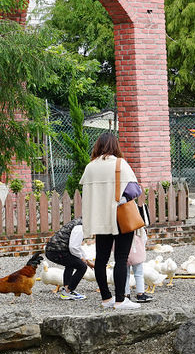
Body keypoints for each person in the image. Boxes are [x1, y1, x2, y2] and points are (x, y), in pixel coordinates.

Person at [79, 132, 141, 310]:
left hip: (99, 219)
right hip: (120, 218)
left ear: (97, 145)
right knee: (121, 258)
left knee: (101, 259)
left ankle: (106, 298)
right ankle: (121, 300)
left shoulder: (90, 167)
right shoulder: (120, 164)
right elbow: (134, 190)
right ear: (115, 145)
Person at [44, 217, 92, 300]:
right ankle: (68, 291)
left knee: (71, 263)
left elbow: (76, 246)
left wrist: (87, 260)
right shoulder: (80, 227)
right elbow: (73, 247)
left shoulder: (78, 222)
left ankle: (66, 289)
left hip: (53, 250)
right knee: (82, 267)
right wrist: (82, 259)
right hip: (57, 251)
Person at [126, 219, 153, 303]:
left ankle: (125, 294)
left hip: (124, 250)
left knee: (125, 274)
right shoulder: (138, 225)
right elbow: (144, 238)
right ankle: (140, 294)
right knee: (139, 273)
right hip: (136, 250)